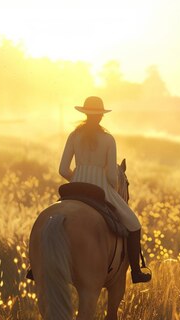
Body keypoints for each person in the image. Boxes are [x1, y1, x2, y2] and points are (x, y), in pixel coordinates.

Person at [58, 96, 151, 283]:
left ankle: (35, 267)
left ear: (84, 114)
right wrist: (111, 186)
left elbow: (62, 169)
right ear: (101, 116)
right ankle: (136, 272)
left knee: (53, 217)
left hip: (75, 185)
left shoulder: (74, 136)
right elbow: (110, 175)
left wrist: (76, 177)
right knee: (134, 225)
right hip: (101, 187)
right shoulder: (108, 139)